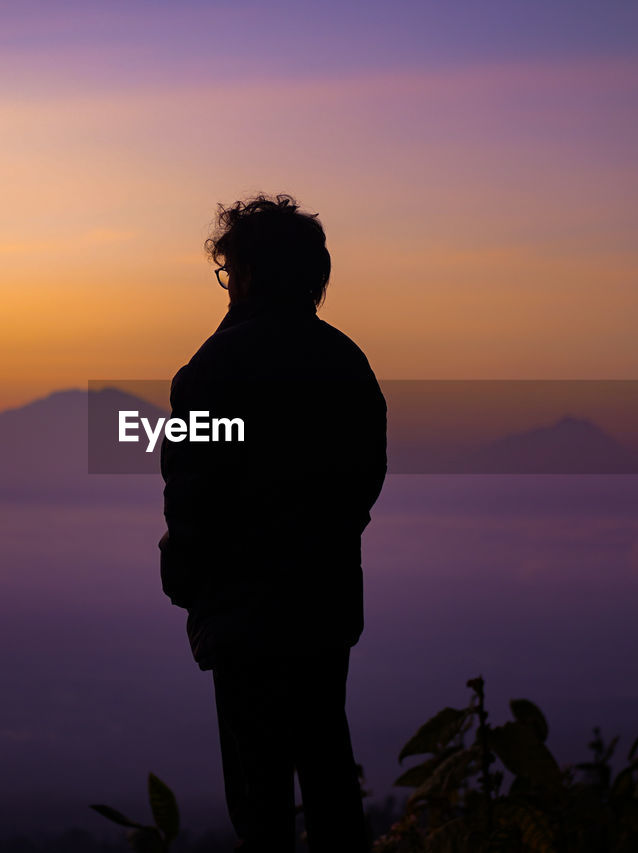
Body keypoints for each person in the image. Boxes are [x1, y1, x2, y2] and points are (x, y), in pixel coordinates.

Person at [158, 194, 387, 852]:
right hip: (323, 608)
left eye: (230, 272)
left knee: (261, 805)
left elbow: (192, 495)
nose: (227, 288)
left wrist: (187, 574)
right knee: (329, 780)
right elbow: (362, 481)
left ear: (251, 273)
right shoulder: (345, 363)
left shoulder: (215, 369)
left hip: (245, 619)